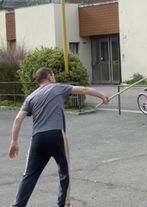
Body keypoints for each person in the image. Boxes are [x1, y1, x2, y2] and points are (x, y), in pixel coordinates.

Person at [8, 67, 110, 206]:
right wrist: (102, 96)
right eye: (53, 76)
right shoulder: (57, 88)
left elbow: (18, 119)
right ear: (49, 77)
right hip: (56, 134)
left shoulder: (30, 97)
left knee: (29, 175)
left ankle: (18, 205)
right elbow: (84, 90)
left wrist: (14, 141)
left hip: (37, 139)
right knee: (64, 172)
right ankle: (63, 204)